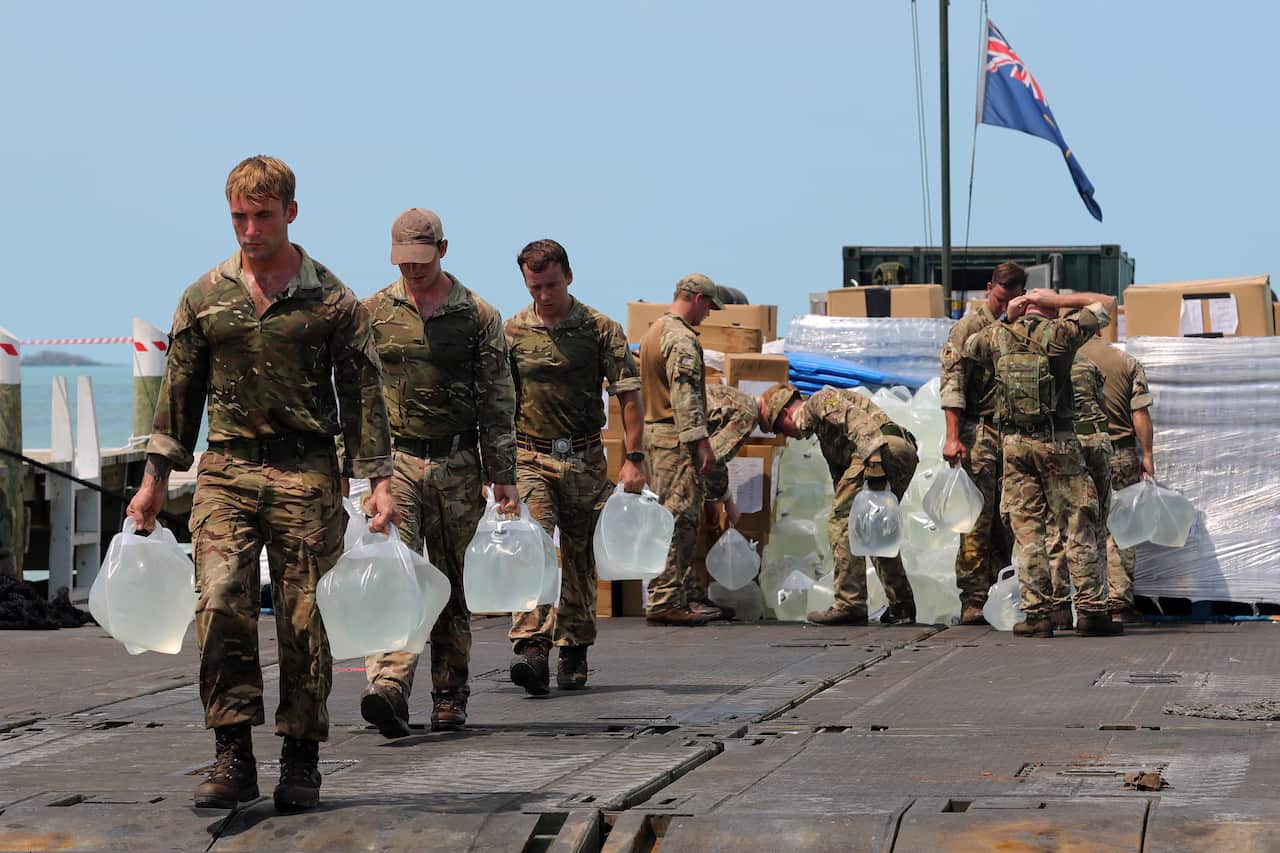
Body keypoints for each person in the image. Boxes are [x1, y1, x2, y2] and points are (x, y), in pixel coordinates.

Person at [126, 156, 397, 812]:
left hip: (306, 471)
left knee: (306, 618)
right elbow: (178, 396)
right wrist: (152, 482)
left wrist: (378, 479)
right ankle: (233, 753)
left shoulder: (332, 300)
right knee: (219, 601)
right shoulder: (204, 297)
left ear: (290, 213)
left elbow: (362, 392)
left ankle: (301, 755)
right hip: (226, 470)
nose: (249, 229)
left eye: (263, 216)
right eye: (239, 217)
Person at [357, 208, 518, 738]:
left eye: (422, 260)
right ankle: (389, 686)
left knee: (448, 581)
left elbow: (498, 400)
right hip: (396, 461)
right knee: (395, 572)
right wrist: (352, 464)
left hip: (456, 461)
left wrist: (503, 475)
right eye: (403, 261)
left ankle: (449, 694)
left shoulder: (477, 315)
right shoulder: (372, 313)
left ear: (443, 251)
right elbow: (352, 394)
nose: (413, 270)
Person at [505, 239, 646, 694]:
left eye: (550, 284)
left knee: (581, 555)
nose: (544, 295)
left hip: (584, 458)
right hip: (530, 457)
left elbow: (627, 395)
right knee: (534, 545)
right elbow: (496, 401)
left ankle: (574, 647)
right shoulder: (511, 333)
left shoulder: (600, 329)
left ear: (568, 276)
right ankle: (532, 644)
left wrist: (634, 460)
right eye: (534, 287)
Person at [962, 288, 1122, 638]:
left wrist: (1006, 315)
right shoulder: (1061, 333)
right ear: (1047, 310)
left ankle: (1037, 615)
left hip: (1015, 445)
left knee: (1028, 532)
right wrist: (1061, 299)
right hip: (1059, 441)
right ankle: (1092, 611)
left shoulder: (999, 335)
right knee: (1077, 523)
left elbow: (967, 346)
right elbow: (1108, 305)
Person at [759, 383, 919, 626]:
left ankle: (849, 604)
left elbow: (857, 420)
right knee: (872, 530)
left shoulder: (818, 401)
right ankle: (902, 606)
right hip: (896, 452)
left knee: (841, 521)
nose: (788, 436)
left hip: (880, 450)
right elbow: (841, 477)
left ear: (785, 414)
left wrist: (874, 460)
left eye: (781, 429)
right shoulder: (824, 432)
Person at [940, 262, 1025, 624]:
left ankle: (1002, 590)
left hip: (1016, 435)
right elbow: (953, 383)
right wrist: (953, 436)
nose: (1005, 303)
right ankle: (972, 599)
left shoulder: (1024, 326)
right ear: (990, 288)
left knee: (1011, 519)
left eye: (1013, 296)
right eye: (1000, 296)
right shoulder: (970, 328)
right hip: (981, 432)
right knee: (977, 518)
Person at [639, 274, 723, 626]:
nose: (708, 315)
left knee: (669, 516)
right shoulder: (681, 338)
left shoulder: (653, 331)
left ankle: (673, 595)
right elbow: (685, 392)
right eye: (708, 307)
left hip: (656, 435)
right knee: (679, 519)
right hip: (675, 438)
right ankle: (664, 599)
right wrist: (700, 441)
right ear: (698, 298)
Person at [1078, 332, 1155, 623]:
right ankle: (1119, 602)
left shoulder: (1064, 360)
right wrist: (1147, 454)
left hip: (1079, 455)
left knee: (1080, 527)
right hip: (1120, 453)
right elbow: (1140, 413)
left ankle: (1083, 601)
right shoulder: (1125, 362)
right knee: (1121, 528)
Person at [1046, 351, 1113, 630]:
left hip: (1062, 443)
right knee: (1095, 523)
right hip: (1095, 439)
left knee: (1055, 523)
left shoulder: (1042, 361)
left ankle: (1059, 605)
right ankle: (1096, 604)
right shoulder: (1088, 362)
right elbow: (1103, 406)